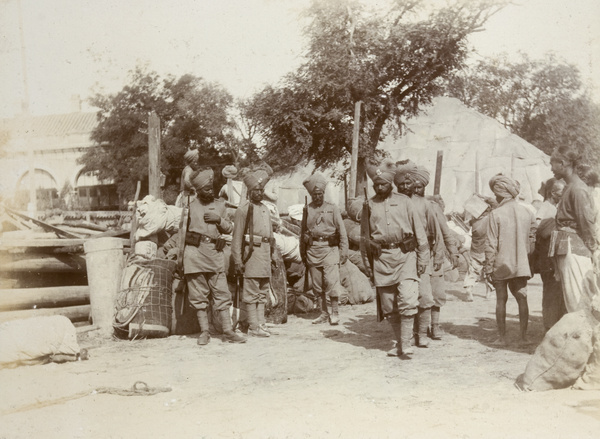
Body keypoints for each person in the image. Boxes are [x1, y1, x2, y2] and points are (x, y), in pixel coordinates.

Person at [360, 159, 429, 358]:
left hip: (406, 256)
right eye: (377, 185)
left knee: (408, 300)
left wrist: (422, 259)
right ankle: (400, 341)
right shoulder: (369, 205)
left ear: (391, 184)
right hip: (382, 260)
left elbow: (420, 233)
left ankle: (406, 344)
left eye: (384, 184)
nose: (380, 187)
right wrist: (368, 267)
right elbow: (365, 239)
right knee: (389, 306)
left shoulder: (406, 201)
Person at [183, 167, 246, 345]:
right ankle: (204, 331)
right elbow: (181, 233)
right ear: (198, 191)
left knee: (222, 292)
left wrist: (219, 220)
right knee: (198, 294)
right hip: (194, 255)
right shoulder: (189, 206)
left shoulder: (220, 205)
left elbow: (230, 228)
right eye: (206, 190)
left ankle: (228, 331)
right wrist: (180, 258)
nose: (210, 192)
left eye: (211, 188)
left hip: (215, 254)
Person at [395, 162, 444, 347]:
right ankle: (404, 336)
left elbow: (436, 232)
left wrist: (438, 256)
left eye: (409, 183)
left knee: (424, 295)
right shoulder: (392, 203)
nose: (406, 187)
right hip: (399, 255)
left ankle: (422, 334)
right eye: (402, 184)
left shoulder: (424, 204)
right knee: (405, 296)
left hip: (421, 254)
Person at [484, 174, 536, 344]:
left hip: (501, 264)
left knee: (501, 299)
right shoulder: (527, 212)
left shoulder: (495, 214)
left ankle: (502, 338)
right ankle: (523, 337)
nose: (494, 196)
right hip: (521, 263)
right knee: (522, 298)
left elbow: (491, 245)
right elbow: (532, 240)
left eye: (495, 193)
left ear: (500, 193)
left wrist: (488, 267)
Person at [410, 171, 460, 340]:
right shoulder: (405, 204)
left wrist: (452, 251)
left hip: (433, 253)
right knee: (420, 293)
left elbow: (445, 232)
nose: (416, 190)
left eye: (420, 187)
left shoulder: (432, 206)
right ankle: (418, 328)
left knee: (437, 292)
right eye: (414, 187)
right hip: (412, 254)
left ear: (424, 187)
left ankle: (435, 326)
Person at [550, 147, 598, 312]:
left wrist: (594, 250)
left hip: (575, 249)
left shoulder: (577, 189)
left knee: (578, 302)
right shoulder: (570, 187)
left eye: (552, 164)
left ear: (562, 164)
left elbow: (586, 224)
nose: (551, 168)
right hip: (568, 247)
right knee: (573, 301)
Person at [231, 165, 276, 338]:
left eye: (261, 190)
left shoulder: (265, 209)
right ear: (249, 192)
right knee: (251, 291)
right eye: (256, 190)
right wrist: (238, 260)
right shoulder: (243, 210)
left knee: (262, 291)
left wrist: (272, 255)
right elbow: (237, 238)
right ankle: (253, 326)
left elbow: (271, 236)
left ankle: (261, 324)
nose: (259, 193)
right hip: (251, 254)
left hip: (264, 254)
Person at [300, 172, 349, 325]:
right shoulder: (307, 209)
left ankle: (335, 312)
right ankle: (323, 313)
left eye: (320, 194)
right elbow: (302, 233)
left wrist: (344, 251)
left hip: (330, 249)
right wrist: (303, 252)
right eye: (315, 194)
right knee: (317, 285)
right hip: (313, 250)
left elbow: (342, 231)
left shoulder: (332, 208)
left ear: (324, 193)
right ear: (311, 195)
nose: (317, 197)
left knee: (331, 282)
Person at [532, 177, 566, 331]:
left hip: (556, 258)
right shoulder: (545, 208)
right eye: (561, 192)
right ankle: (549, 327)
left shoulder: (557, 207)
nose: (563, 194)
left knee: (558, 294)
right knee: (551, 295)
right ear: (553, 193)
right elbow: (538, 229)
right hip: (547, 259)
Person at [463, 197, 497, 301]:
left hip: (475, 250)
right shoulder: (490, 218)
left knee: (472, 271)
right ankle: (489, 293)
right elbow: (495, 204)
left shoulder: (474, 222)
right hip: (488, 250)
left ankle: (469, 288)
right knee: (489, 272)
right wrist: (484, 197)